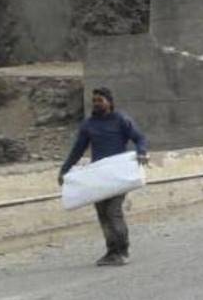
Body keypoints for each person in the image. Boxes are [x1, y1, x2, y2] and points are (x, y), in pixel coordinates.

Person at [58, 87, 149, 266]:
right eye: (94, 101)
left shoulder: (121, 120)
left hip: (119, 174)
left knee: (113, 212)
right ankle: (111, 251)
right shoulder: (88, 125)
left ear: (109, 101)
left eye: (100, 100)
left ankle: (122, 251)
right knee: (102, 214)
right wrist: (65, 170)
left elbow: (140, 138)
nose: (97, 104)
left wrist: (142, 152)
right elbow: (77, 150)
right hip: (99, 176)